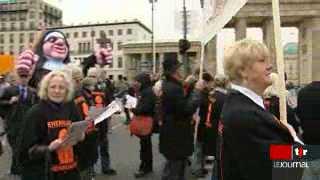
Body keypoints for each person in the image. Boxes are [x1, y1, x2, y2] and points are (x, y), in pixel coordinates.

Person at [220, 39, 303, 180]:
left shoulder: (241, 105)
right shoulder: (244, 114)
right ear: (243, 71)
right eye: (262, 60)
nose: (270, 66)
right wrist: (294, 137)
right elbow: (285, 166)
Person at [18, 70, 84, 180]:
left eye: (61, 87)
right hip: (45, 173)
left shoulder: (72, 108)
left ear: (67, 90)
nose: (57, 91)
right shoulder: (35, 113)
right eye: (53, 87)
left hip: (71, 172)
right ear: (46, 89)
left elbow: (80, 138)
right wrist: (48, 148)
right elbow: (25, 151)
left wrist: (81, 136)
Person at [156, 55, 206, 180]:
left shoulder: (169, 85)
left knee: (171, 168)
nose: (182, 71)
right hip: (176, 135)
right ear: (175, 70)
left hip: (172, 133)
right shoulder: (174, 88)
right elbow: (186, 109)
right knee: (175, 171)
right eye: (179, 68)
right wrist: (197, 91)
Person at [16, 30, 112, 89]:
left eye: (64, 42)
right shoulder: (36, 69)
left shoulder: (69, 69)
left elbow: (82, 69)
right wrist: (24, 77)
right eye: (52, 40)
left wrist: (95, 58)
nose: (60, 43)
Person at [0, 73, 38, 177]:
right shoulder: (9, 90)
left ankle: (17, 169)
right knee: (15, 147)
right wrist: (9, 102)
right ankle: (17, 170)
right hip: (13, 124)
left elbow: (38, 107)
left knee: (22, 147)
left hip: (28, 125)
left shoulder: (33, 92)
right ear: (18, 78)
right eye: (21, 76)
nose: (24, 79)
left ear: (29, 78)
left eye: (26, 77)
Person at [131, 72, 156, 178]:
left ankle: (145, 167)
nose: (135, 83)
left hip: (145, 121)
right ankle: (147, 166)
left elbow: (145, 108)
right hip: (146, 121)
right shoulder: (146, 91)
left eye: (137, 81)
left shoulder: (147, 92)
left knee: (145, 147)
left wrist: (134, 109)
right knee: (145, 146)